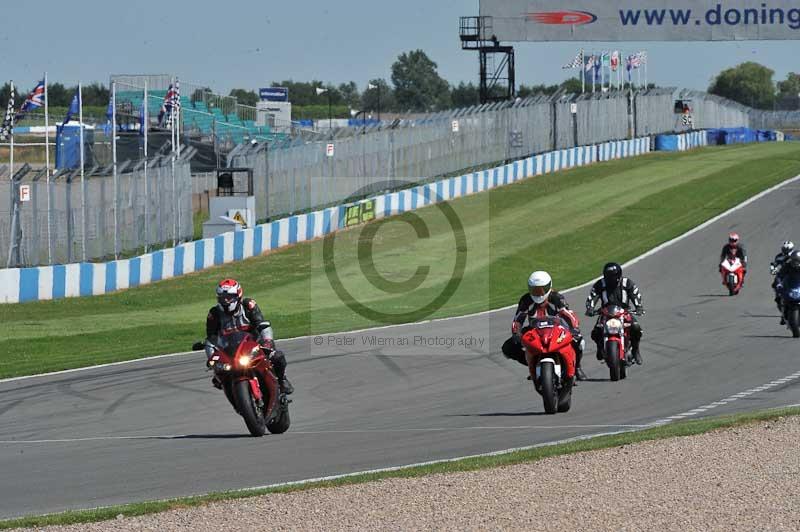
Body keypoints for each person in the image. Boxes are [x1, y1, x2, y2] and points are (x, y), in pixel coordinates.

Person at [205, 279, 294, 395]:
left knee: (277, 357)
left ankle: (282, 380)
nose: (225, 301)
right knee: (218, 376)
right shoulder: (214, 313)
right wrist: (212, 357)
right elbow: (211, 339)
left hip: (254, 346)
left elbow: (262, 324)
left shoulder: (248, 305)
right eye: (222, 297)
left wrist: (267, 341)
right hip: (230, 351)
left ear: (238, 295)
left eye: (229, 297)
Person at [502, 271, 587, 381]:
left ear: (549, 287)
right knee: (508, 348)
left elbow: (568, 314)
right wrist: (516, 333)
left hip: (556, 329)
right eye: (535, 290)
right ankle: (535, 365)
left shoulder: (557, 298)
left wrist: (574, 328)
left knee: (578, 341)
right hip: (535, 330)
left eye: (542, 289)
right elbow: (518, 319)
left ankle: (577, 367)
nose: (539, 293)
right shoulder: (526, 300)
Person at [585, 263, 645, 365]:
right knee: (596, 332)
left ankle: (635, 350)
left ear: (618, 275)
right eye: (608, 276)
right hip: (606, 313)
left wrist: (638, 307)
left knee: (636, 328)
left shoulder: (627, 283)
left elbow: (635, 294)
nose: (611, 279)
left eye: (613, 276)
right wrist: (590, 308)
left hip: (624, 312)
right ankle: (600, 347)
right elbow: (593, 296)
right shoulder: (600, 284)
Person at [771, 241, 795, 321]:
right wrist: (773, 269)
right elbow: (774, 264)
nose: (785, 250)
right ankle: (783, 314)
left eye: (786, 249)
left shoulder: (795, 255)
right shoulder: (779, 256)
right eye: (784, 249)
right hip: (782, 276)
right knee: (777, 294)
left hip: (793, 276)